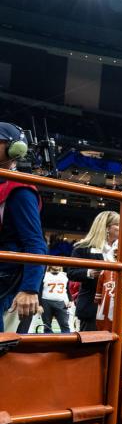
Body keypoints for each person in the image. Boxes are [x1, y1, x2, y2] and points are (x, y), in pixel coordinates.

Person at [0, 123, 46, 333]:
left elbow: (35, 242)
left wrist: (30, 288)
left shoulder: (20, 190)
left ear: (14, 149)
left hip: (6, 273)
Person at [68, 211, 119, 332]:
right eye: (118, 224)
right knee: (90, 346)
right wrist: (89, 273)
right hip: (92, 304)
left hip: (116, 306)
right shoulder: (83, 247)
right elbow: (71, 272)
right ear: (106, 227)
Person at [40, 266, 71, 333]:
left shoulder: (64, 275)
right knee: (46, 325)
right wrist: (39, 304)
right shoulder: (44, 275)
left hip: (61, 302)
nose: (56, 265)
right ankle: (48, 342)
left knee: (64, 324)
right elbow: (40, 290)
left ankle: (67, 342)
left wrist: (70, 300)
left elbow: (67, 289)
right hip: (46, 301)